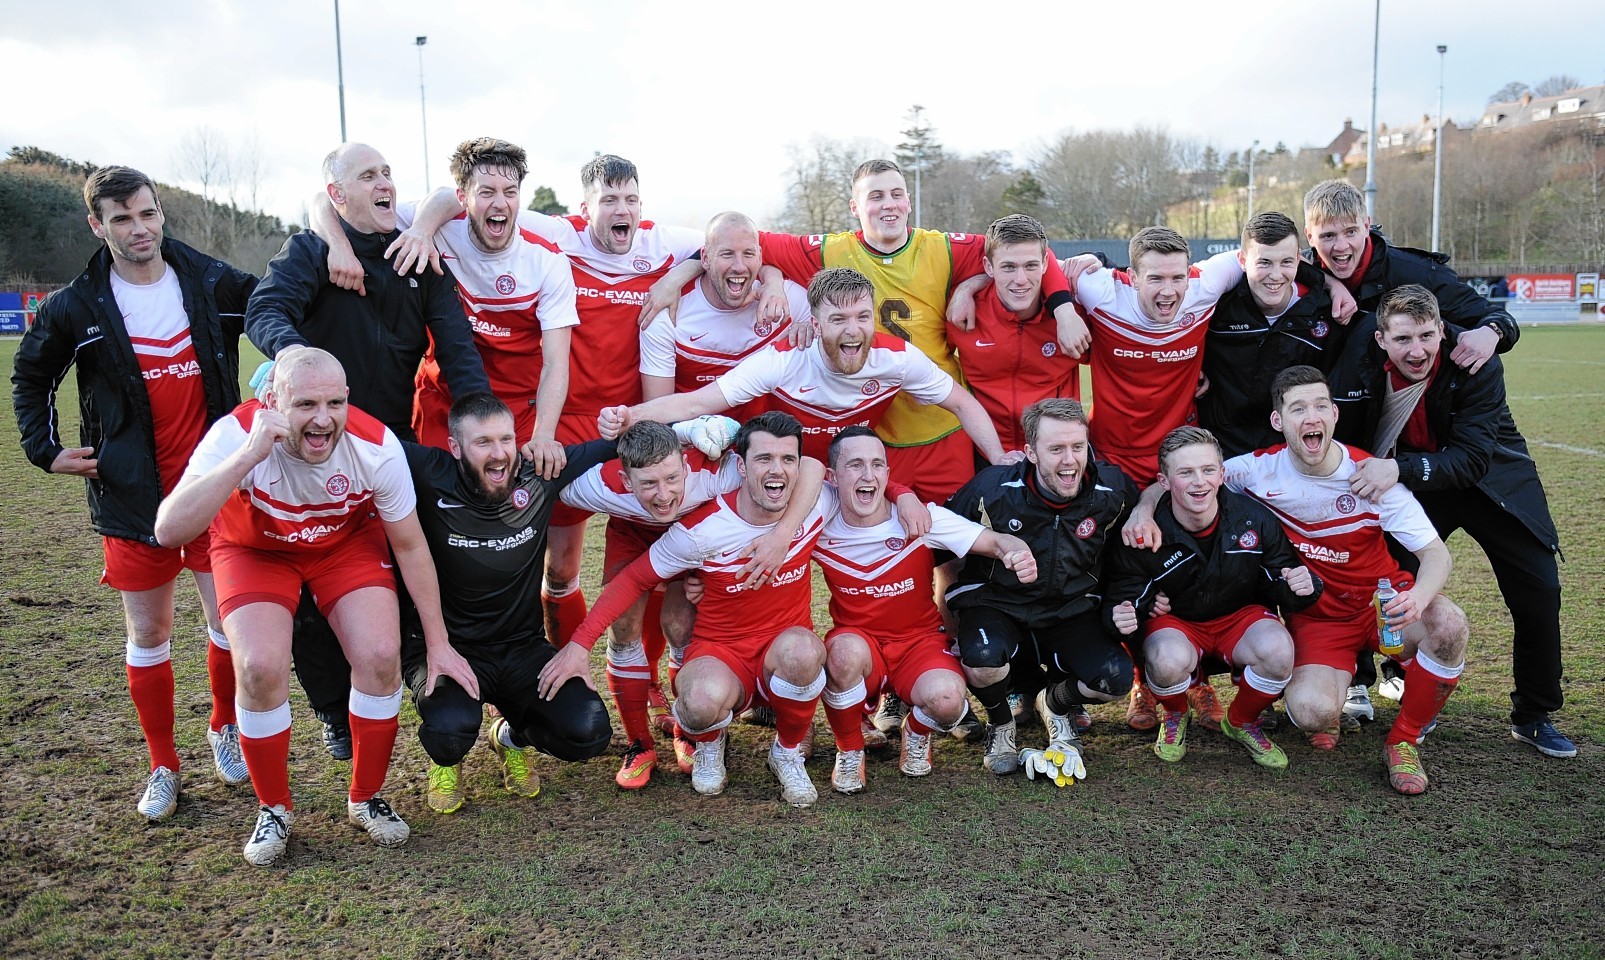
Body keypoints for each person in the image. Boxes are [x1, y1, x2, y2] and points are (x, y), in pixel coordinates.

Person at [11, 165, 257, 820]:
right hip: (130, 498)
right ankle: (162, 763)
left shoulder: (210, 280)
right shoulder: (75, 305)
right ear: (98, 225)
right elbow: (30, 374)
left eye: (146, 214)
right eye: (121, 219)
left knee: (229, 622)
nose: (138, 228)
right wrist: (45, 449)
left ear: (159, 214)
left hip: (212, 490)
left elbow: (279, 308)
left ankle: (224, 726)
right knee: (148, 633)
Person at [383, 154, 703, 650]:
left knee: (638, 552)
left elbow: (730, 245)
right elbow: (449, 198)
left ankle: (620, 679)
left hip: (621, 422)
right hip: (530, 417)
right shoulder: (556, 235)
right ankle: (497, 662)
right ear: (584, 208)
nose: (622, 210)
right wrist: (425, 227)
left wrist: (677, 276)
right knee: (511, 554)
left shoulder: (662, 243)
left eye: (631, 200)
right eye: (609, 200)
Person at [154, 348, 451, 863]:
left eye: (335, 402)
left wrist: (440, 643)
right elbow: (169, 529)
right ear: (272, 400)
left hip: (342, 545)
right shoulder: (234, 434)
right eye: (305, 403)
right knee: (259, 667)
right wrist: (248, 455)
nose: (323, 418)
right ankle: (274, 808)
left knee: (381, 658)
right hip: (255, 547)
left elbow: (409, 546)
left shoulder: (376, 446)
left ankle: (366, 798)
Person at [247, 142, 491, 760]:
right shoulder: (312, 252)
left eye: (388, 173)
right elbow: (264, 309)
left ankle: (429, 679)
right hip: (312, 446)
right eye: (368, 175)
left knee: (411, 565)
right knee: (307, 585)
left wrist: (481, 428)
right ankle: (333, 711)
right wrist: (298, 363)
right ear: (338, 196)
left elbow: (459, 350)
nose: (384, 183)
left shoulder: (419, 258)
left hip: (387, 447)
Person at [727, 159, 1088, 503]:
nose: (889, 205)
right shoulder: (831, 250)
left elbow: (1029, 252)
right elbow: (740, 242)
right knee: (886, 538)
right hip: (876, 429)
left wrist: (1059, 306)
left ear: (909, 201)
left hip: (942, 424)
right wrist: (770, 280)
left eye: (897, 194)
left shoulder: (944, 247)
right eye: (876, 196)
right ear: (855, 207)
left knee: (951, 548)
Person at [1302, 177, 1519, 722]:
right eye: (1327, 236)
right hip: (1332, 433)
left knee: (1517, 577)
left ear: (1367, 227)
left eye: (1350, 232)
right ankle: (1354, 676)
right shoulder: (1302, 271)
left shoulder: (1415, 273)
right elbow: (1246, 263)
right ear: (1311, 238)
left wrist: (1492, 330)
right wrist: (1325, 283)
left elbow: (1490, 314)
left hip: (1404, 449)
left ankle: (1529, 708)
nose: (1340, 245)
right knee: (1342, 558)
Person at [539, 412, 834, 807]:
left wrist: (784, 534)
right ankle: (660, 740)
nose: (663, 492)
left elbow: (826, 468)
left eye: (786, 460)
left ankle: (785, 752)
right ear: (743, 466)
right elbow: (542, 484)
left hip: (766, 635)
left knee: (796, 649)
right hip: (654, 538)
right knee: (641, 636)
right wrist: (578, 645)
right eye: (764, 459)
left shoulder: (747, 481)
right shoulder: (604, 488)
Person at [1330, 285, 1574, 757]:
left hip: (1489, 482)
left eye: (1427, 336)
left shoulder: (1475, 362)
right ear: (1381, 340)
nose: (1417, 350)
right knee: (1371, 576)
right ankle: (1381, 683)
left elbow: (1472, 459)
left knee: (1540, 589)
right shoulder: (1359, 362)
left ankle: (1534, 714)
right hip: (1417, 488)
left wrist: (1397, 469)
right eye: (1402, 340)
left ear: (1443, 330)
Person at [1221, 365, 1469, 795]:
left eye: (1320, 406)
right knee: (1311, 713)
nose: (1311, 417)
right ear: (1279, 422)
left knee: (1448, 625)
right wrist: (1148, 509)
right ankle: (1338, 689)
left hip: (1383, 607)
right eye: (1298, 409)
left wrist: (1419, 598)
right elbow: (1189, 479)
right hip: (1319, 619)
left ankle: (1404, 739)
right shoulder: (1254, 472)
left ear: (1335, 414)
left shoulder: (1370, 477)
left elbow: (1436, 554)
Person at [403, 392, 622, 814]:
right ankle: (445, 764)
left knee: (589, 731)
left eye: (506, 439)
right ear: (455, 448)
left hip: (520, 646)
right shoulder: (431, 473)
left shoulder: (538, 472)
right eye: (482, 442)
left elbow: (614, 446)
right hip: (449, 649)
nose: (499, 452)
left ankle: (509, 738)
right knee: (450, 733)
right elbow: (364, 440)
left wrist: (694, 429)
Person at [635, 211, 813, 720]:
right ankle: (686, 690)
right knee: (684, 588)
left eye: (750, 255)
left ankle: (763, 685)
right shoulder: (670, 309)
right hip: (697, 466)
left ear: (763, 259)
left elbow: (827, 326)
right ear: (703, 258)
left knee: (760, 575)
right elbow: (658, 420)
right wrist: (697, 433)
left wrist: (783, 288)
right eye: (726, 254)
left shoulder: (787, 297)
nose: (740, 266)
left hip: (762, 472)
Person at [312, 137, 577, 463]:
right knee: (435, 500)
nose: (500, 203)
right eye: (486, 192)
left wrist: (543, 436)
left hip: (519, 407)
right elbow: (323, 201)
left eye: (510, 192)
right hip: (441, 401)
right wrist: (339, 245)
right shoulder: (435, 224)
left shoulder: (546, 255)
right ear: (463, 198)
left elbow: (555, 362)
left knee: (517, 504)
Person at [814, 427, 1037, 793]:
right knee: (840, 655)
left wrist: (1016, 550)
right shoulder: (820, 525)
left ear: (888, 474)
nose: (868, 475)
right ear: (832, 477)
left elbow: (993, 541)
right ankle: (850, 749)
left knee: (949, 701)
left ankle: (916, 732)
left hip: (918, 643)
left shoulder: (922, 519)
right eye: (854, 465)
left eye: (876, 465)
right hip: (860, 645)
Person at [603, 268, 1008, 465]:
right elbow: (696, 403)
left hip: (845, 477)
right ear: (814, 325)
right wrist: (630, 416)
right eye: (838, 320)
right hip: (777, 473)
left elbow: (962, 403)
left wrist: (999, 457)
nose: (854, 331)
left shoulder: (897, 358)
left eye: (863, 318)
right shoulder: (783, 359)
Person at [944, 398, 1139, 785]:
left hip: (1072, 611)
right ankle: (1001, 726)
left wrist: (1146, 511)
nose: (1070, 460)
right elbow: (940, 533)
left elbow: (1135, 547)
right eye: (1056, 449)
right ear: (1031, 453)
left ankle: (1052, 704)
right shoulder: (994, 488)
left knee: (1114, 679)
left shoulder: (1111, 489)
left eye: (1078, 447)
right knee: (981, 659)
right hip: (998, 606)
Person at [1105, 427, 1321, 768]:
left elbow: (1281, 574)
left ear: (1222, 474)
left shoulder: (1253, 517)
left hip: (1239, 616)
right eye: (1185, 472)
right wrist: (1129, 610)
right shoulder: (1143, 530)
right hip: (1178, 623)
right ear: (1164, 480)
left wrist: (1301, 586)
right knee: (1166, 660)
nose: (1198, 482)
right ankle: (1176, 714)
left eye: (1207, 470)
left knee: (1279, 652)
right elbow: (1125, 591)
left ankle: (1240, 721)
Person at [1197, 212, 1350, 458]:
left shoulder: (1327, 313)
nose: (1276, 275)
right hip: (1221, 447)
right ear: (1242, 260)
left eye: (1286, 262)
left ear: (1300, 260)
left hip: (1293, 453)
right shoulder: (1218, 305)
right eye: (1264, 262)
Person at [948, 215, 1082, 457]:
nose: (1020, 280)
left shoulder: (1076, 312)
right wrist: (964, 288)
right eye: (1008, 267)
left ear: (1044, 264)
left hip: (1057, 456)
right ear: (989, 267)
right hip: (984, 454)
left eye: (1030, 266)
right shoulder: (962, 313)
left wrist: (1095, 259)